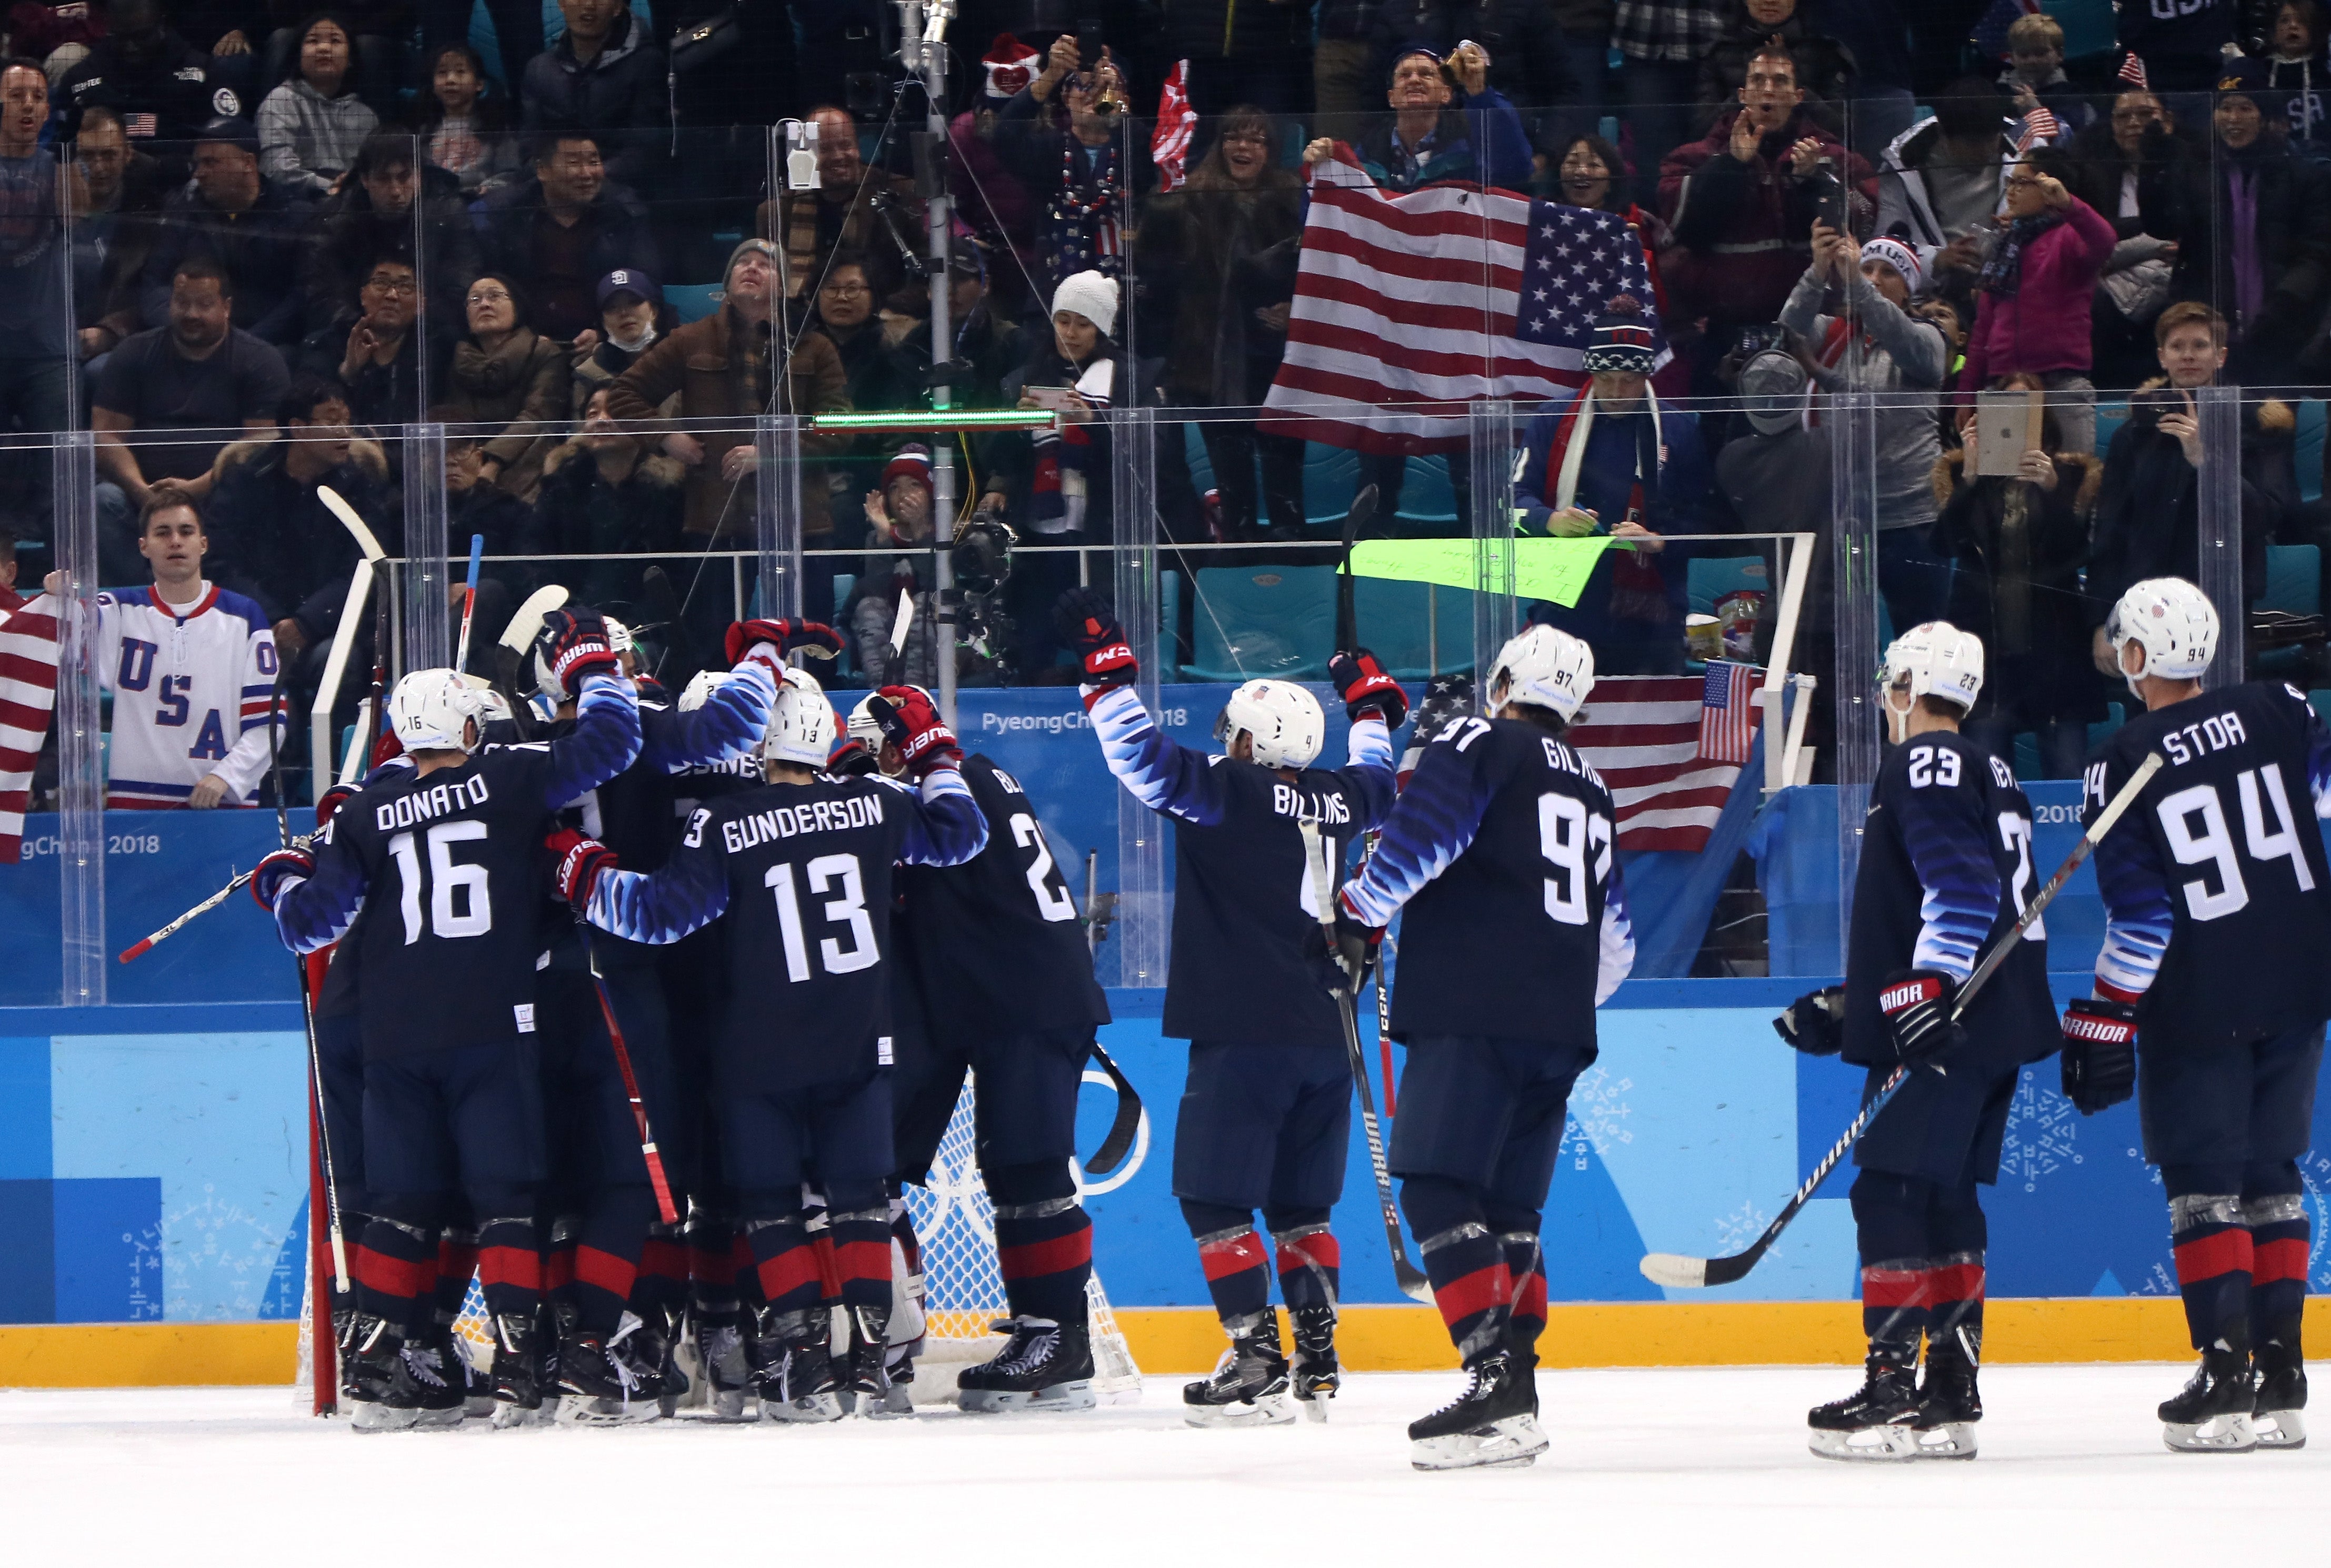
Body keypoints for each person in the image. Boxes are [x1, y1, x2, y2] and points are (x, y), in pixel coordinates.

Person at [552, 670, 987, 1419]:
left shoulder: (725, 823)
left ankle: (805, 1366)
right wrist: (936, 755)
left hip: (759, 1044)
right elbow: (961, 835)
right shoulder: (876, 804)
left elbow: (657, 917)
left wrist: (580, 867)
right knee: (858, 1204)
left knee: (771, 1207)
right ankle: (871, 1366)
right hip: (858, 1038)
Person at [252, 617, 642, 1429]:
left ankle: (372, 1371)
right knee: (505, 1199)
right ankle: (518, 1370)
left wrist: (284, 880)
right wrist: (596, 671)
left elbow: (309, 927)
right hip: (492, 1027)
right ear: (469, 726)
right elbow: (609, 746)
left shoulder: (366, 810)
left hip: (396, 1038)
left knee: (399, 1200)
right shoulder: (509, 780)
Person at [1059, 587, 1400, 1425]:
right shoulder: (1343, 798)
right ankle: (1315, 1357)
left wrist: (1108, 682)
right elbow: (1380, 779)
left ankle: (1254, 1355)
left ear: (1256, 740)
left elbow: (1141, 759)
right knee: (1301, 1205)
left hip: (1244, 1030)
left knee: (1214, 1198)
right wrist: (1372, 706)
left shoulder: (1234, 791)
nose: (1228, 744)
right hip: (1327, 1033)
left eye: (1236, 733)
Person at [1330, 623, 1634, 1470]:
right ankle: (1519, 1393)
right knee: (1508, 1213)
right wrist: (1551, 995)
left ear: (1502, 681)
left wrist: (1355, 913)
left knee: (1432, 1186)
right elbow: (1618, 943)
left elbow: (1418, 841)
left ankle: (1492, 1379)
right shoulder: (1596, 786)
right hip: (1560, 1029)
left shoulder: (1474, 738)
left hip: (1472, 1012)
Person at [1773, 621, 2052, 1461]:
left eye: (1893, 682)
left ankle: (1895, 1388)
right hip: (1991, 1019)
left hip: (1948, 1025)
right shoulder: (1991, 768)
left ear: (1909, 686)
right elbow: (1965, 899)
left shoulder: (1924, 760)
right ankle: (1951, 1389)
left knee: (1890, 1195)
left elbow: (1962, 892)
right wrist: (1862, 1000)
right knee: (1943, 1198)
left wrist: (1921, 993)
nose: (1887, 699)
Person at [2072, 576, 2331, 1452]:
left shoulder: (2120, 760)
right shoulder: (2280, 706)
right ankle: (2283, 1375)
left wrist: (2104, 1016)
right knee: (2270, 1174)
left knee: (2202, 1188)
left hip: (2200, 996)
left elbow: (2141, 921)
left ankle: (2222, 1375)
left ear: (2140, 655)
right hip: (2299, 981)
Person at [528, 617, 784, 1422]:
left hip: (531, 990)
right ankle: (606, 1344)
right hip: (622, 978)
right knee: (633, 1173)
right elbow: (735, 724)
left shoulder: (514, 751)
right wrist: (763, 654)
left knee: (556, 1178)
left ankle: (549, 1348)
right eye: (615, 659)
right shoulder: (632, 735)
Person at [872, 682, 1116, 1413]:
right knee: (1011, 1168)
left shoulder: (952, 790)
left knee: (1031, 1170)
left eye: (880, 748)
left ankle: (1060, 1342)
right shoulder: (979, 773)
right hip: (1013, 996)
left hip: (1027, 998)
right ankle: (1046, 1335)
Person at [604, 238, 851, 626]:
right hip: (716, 515)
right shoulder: (690, 340)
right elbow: (623, 394)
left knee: (810, 640)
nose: (751, 268)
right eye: (742, 263)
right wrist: (666, 437)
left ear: (784, 287)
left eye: (765, 265)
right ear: (727, 281)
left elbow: (838, 429)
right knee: (713, 644)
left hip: (799, 518)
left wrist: (771, 455)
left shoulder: (814, 347)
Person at [1513, 297, 1718, 673]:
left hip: (1653, 621)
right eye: (1605, 380)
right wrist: (1550, 520)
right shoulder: (1551, 422)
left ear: (1646, 377)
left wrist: (1659, 541)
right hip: (1562, 611)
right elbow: (1511, 502)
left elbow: (1708, 521)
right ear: (1590, 373)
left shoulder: (1678, 430)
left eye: (1628, 381)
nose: (1616, 391)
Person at [43, 497, 281, 809]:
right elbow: (67, 631)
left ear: (203, 543)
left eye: (186, 532)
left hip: (220, 804)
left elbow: (270, 720)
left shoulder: (245, 617)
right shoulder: (119, 610)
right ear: (144, 546)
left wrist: (227, 777)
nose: (175, 541)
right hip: (136, 806)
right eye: (163, 533)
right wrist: (58, 598)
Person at [1659, 41, 1875, 383]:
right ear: (1743, 94)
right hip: (1721, 330)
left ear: (1798, 95)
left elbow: (1857, 225)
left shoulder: (1836, 157)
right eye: (1758, 81)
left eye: (1779, 82)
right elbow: (1688, 229)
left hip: (1812, 328)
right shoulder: (1694, 158)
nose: (1768, 90)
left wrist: (1813, 180)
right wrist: (1730, 166)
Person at [1137, 106, 1307, 541]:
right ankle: (1239, 561)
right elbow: (1160, 278)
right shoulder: (1190, 199)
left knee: (1285, 481)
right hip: (1210, 368)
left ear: (1271, 151)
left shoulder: (1292, 199)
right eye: (1233, 137)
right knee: (1233, 489)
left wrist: (1295, 307)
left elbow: (1319, 271)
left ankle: (1292, 562)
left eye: (1256, 140)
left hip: (1277, 363)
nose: (1243, 147)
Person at [2086, 303, 2285, 667]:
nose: (2188, 356)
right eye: (2177, 347)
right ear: (2162, 357)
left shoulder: (2253, 425)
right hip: (2147, 606)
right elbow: (2109, 533)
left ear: (2220, 356)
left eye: (2199, 345)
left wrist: (2205, 461)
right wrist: (2103, 620)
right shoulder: (2132, 436)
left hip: (2223, 602)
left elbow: (2268, 514)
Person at [1932, 376, 2104, 780]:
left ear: (2041, 414)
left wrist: (2050, 490)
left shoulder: (2071, 476)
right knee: (1988, 780)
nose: (2013, 413)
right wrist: (1971, 479)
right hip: (1985, 649)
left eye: (2023, 404)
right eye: (2003, 404)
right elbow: (1942, 546)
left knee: (2067, 775)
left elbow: (2079, 553)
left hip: (2054, 647)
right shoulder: (1962, 476)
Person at [1781, 229, 1953, 629]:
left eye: (1887, 272)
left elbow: (1894, 340)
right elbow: (1789, 333)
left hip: (1911, 518)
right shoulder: (1834, 333)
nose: (1873, 278)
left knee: (1921, 636)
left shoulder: (1928, 338)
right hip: (1843, 514)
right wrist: (1817, 270)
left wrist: (1856, 284)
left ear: (1909, 290)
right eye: (1866, 269)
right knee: (1844, 640)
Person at [92, 258, 291, 586]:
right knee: (103, 501)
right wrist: (143, 491)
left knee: (252, 500)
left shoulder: (260, 360)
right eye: (182, 303)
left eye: (204, 304)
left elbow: (259, 448)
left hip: (219, 494)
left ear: (226, 307)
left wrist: (195, 489)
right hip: (142, 495)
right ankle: (135, 605)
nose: (192, 314)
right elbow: (105, 437)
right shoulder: (134, 352)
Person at [2142, 61, 2331, 387]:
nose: (2233, 118)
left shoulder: (2305, 178)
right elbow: (2164, 226)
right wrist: (2154, 168)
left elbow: (2316, 253)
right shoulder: (2196, 172)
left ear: (2266, 117)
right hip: (2212, 336)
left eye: (2245, 108)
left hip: (2286, 332)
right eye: (2225, 108)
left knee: (2271, 429)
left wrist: (2283, 305)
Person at [202, 375, 391, 674]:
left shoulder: (360, 487)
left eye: (348, 422)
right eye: (332, 422)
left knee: (336, 661)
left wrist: (306, 624)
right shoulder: (245, 481)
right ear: (298, 428)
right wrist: (272, 620)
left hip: (330, 629)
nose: (345, 432)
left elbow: (364, 567)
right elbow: (221, 562)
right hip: (255, 626)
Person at [987, 271, 1126, 677]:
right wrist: (1014, 426)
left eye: (1083, 324)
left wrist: (1094, 422)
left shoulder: (1129, 380)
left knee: (1101, 648)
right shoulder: (1022, 380)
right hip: (1039, 536)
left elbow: (1148, 454)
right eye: (1063, 320)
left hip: (1100, 535)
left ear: (1101, 329)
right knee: (1033, 645)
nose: (1071, 332)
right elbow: (1000, 460)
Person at [1958, 149, 2114, 456]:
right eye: (2010, 182)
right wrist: (1965, 395)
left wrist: (2069, 205)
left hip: (2061, 384)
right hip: (2005, 385)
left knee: (2072, 485)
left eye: (2022, 183)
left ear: (2049, 189)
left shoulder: (2069, 236)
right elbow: (1983, 330)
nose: (2012, 192)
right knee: (2004, 491)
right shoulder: (2005, 247)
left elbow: (2105, 241)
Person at [995, 37, 1154, 296]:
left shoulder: (1135, 146)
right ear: (1066, 97)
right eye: (1081, 84)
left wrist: (1115, 109)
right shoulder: (1049, 152)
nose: (1092, 92)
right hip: (1055, 301)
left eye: (1102, 86)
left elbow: (1149, 164)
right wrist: (1052, 74)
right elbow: (1004, 137)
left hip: (1128, 301)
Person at [136, 116, 311, 346]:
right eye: (198, 164)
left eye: (211, 163)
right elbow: (153, 285)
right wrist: (187, 329)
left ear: (248, 163)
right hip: (187, 343)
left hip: (268, 347)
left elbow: (301, 297)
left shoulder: (294, 215)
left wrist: (245, 344)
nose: (199, 173)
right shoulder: (182, 211)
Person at [475, 132, 661, 345]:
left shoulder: (625, 214)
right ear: (542, 170)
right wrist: (521, 337)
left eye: (594, 162)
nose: (587, 173)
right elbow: (488, 285)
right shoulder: (506, 216)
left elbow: (648, 285)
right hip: (524, 342)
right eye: (574, 163)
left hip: (607, 341)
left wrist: (604, 333)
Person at [304, 128, 483, 342]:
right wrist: (366, 329)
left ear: (419, 175)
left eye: (404, 177)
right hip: (354, 336)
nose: (396, 190)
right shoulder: (336, 220)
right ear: (365, 180)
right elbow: (322, 292)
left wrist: (406, 327)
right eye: (383, 179)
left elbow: (460, 285)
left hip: (427, 338)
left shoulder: (448, 213)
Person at [527, 385, 687, 610]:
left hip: (646, 632)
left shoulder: (667, 493)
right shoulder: (561, 488)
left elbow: (675, 575)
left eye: (614, 412)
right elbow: (540, 562)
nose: (602, 420)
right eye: (593, 414)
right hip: (571, 625)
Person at [758, 103, 923, 310]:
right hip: (800, 317)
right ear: (805, 153)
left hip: (880, 316)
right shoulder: (776, 213)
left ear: (858, 148)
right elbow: (767, 285)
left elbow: (927, 271)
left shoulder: (899, 194)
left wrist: (891, 312)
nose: (838, 156)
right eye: (825, 149)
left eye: (846, 146)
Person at [0, 56, 69, 542]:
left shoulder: (60, 166)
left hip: (46, 346)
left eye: (39, 97)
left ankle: (59, 553)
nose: (29, 105)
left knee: (59, 469)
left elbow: (83, 217)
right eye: (18, 95)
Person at [433, 272, 566, 505]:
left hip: (526, 463)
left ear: (517, 307)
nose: (484, 304)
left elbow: (538, 416)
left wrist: (492, 460)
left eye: (494, 296)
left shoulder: (544, 353)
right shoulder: (455, 361)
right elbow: (454, 422)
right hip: (466, 466)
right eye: (475, 300)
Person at [1327, 43, 1532, 194]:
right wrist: (1323, 163)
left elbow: (1515, 171)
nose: (1414, 80)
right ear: (1391, 98)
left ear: (1446, 94)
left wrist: (1479, 93)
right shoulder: (1369, 151)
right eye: (1404, 75)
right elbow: (1331, 207)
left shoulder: (1468, 144)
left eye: (1426, 74)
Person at [53, 0, 244, 152]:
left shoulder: (203, 73)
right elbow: (59, 149)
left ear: (161, 25)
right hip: (101, 181)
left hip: (182, 180)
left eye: (141, 37)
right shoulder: (80, 78)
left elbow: (233, 140)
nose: (131, 47)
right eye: (121, 38)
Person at [518, 0, 667, 189]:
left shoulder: (647, 64)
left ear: (618, 7)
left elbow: (645, 150)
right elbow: (529, 147)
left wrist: (587, 178)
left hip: (620, 192)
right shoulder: (538, 69)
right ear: (562, 4)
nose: (588, 4)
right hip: (551, 191)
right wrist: (555, 178)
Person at [1873, 78, 2020, 261]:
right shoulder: (1902, 165)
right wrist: (1935, 261)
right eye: (1972, 144)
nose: (1985, 153)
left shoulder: (2025, 152)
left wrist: (2023, 228)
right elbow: (1884, 246)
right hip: (1932, 286)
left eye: (1991, 140)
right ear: (1942, 134)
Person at [298, 256, 448, 435]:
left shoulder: (438, 349)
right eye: (381, 282)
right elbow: (304, 416)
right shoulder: (328, 343)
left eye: (405, 286)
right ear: (363, 295)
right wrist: (347, 373)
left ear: (421, 304)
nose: (392, 295)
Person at [848, 445, 943, 690]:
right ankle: (883, 695)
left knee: (925, 602)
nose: (903, 494)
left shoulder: (945, 536)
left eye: (915, 485)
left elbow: (936, 588)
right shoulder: (878, 537)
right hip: (891, 634)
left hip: (936, 641)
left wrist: (922, 531)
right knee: (868, 608)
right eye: (894, 488)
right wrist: (882, 536)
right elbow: (875, 592)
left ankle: (917, 694)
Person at [255, 13, 377, 200]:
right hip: (296, 203)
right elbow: (275, 168)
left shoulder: (366, 116)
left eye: (335, 41)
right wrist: (330, 187)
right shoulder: (280, 101)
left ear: (350, 58)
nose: (324, 48)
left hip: (351, 206)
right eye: (313, 41)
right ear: (298, 56)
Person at [1694, 0, 1856, 130]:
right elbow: (1702, 128)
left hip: (1808, 155)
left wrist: (1791, 81)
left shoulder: (1824, 51)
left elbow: (1842, 128)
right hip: (1733, 156)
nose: (1770, 1)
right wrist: (1750, 89)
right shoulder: (1720, 52)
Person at [411, 39, 520, 197]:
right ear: (433, 86)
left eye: (461, 72)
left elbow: (510, 174)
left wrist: (489, 190)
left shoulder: (496, 130)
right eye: (442, 73)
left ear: (479, 84)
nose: (451, 80)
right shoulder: (422, 134)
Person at [568, 267, 670, 415]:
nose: (624, 313)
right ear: (603, 323)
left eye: (634, 302)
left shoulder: (680, 361)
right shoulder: (587, 374)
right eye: (612, 308)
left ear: (654, 311)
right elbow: (582, 434)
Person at [1999, 12, 2097, 139]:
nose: (2032, 60)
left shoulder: (2071, 95)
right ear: (2012, 58)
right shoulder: (1998, 93)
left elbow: (2074, 139)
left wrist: (2035, 111)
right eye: (2024, 55)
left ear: (2060, 55)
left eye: (2041, 53)